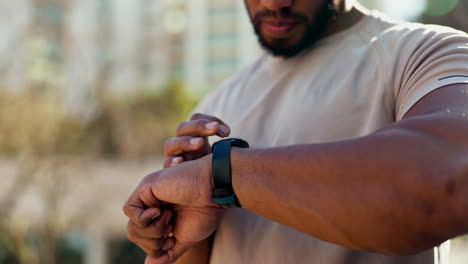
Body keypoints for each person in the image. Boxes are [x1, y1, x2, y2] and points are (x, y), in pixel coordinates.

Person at [123, 0, 468, 263]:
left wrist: (222, 173)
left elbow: (446, 182)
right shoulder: (218, 101)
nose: (274, 4)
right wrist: (177, 234)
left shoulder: (427, 53)